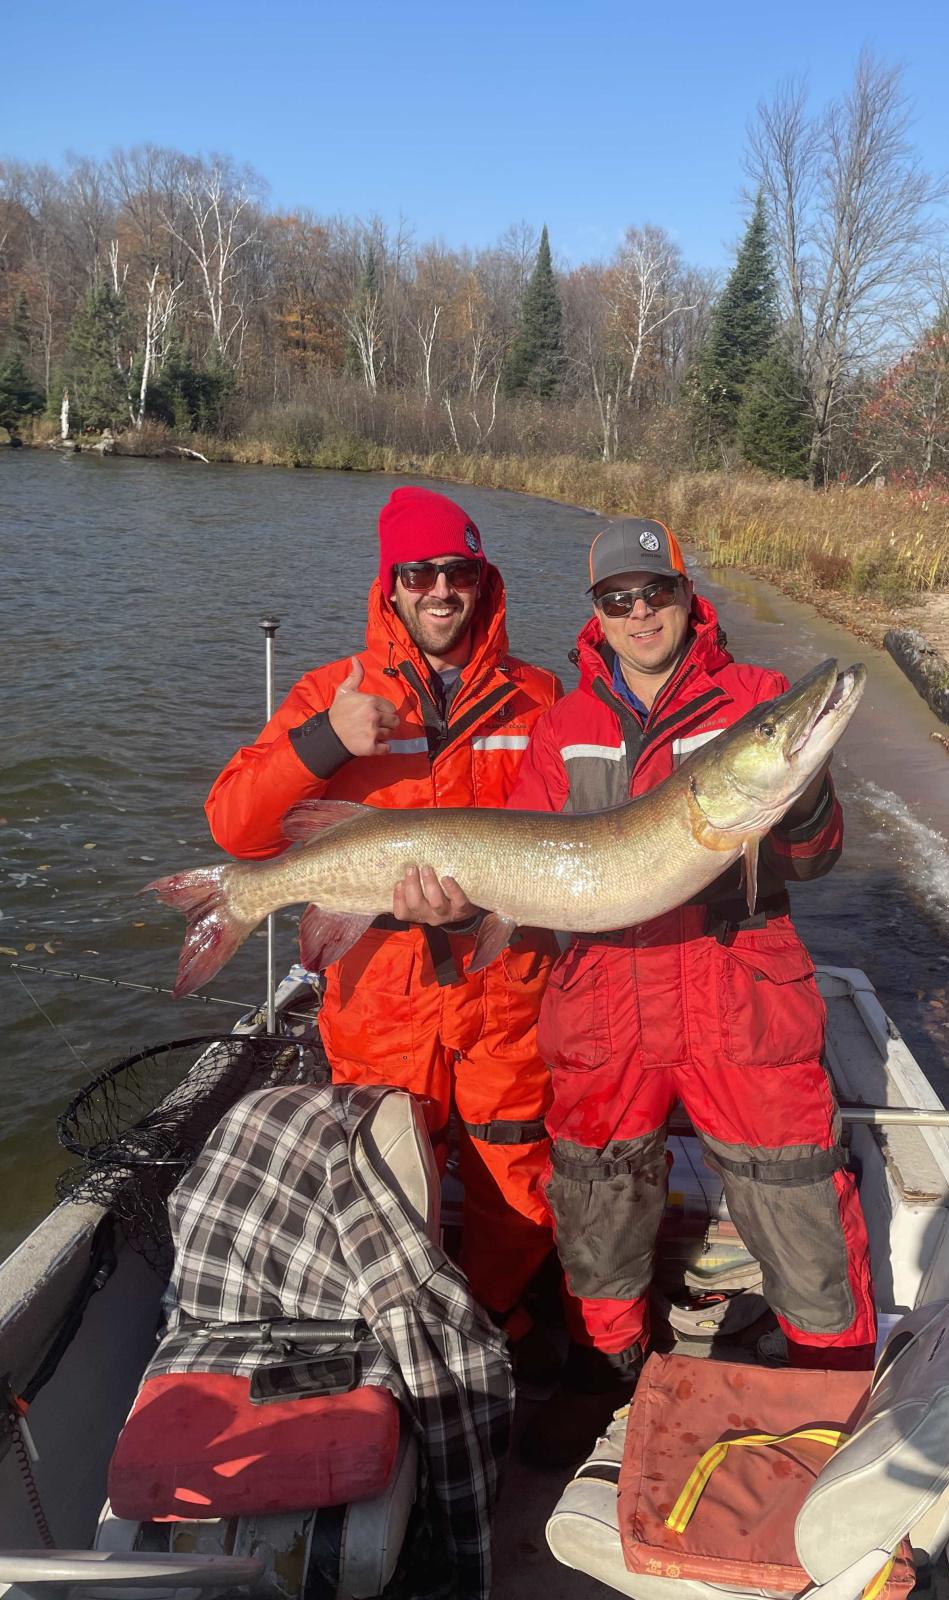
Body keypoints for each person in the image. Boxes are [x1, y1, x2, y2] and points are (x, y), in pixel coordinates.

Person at [505, 516, 877, 1462]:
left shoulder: (752, 698)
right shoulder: (564, 726)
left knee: (794, 1187)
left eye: (655, 593)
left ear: (685, 593)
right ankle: (607, 1368)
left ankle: (831, 1377)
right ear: (596, 613)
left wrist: (807, 791)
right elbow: (522, 874)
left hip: (735, 991)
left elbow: (814, 855)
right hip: (605, 1002)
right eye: (617, 600)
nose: (639, 614)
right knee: (596, 1189)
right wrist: (458, 902)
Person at [205, 485, 563, 1341]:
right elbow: (235, 825)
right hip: (378, 989)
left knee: (516, 1177)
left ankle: (497, 1326)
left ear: (483, 580)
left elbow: (568, 837)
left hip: (502, 987)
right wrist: (323, 742)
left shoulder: (540, 695)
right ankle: (402, 1335)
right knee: (381, 1177)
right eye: (420, 573)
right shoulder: (334, 690)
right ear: (392, 585)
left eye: (459, 571)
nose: (441, 590)